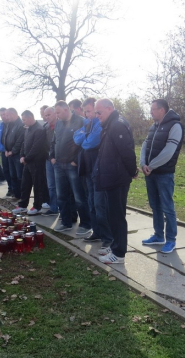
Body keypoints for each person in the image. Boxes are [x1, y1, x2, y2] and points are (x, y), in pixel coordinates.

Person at [93, 99, 138, 264]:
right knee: (112, 215)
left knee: (117, 216)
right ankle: (115, 246)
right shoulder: (109, 124)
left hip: (117, 178)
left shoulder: (117, 125)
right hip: (110, 177)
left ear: (109, 109)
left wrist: (133, 171)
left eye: (99, 112)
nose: (97, 116)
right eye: (96, 113)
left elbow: (127, 152)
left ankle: (119, 254)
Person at [140, 99, 184, 254]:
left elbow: (169, 151)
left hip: (164, 174)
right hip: (150, 173)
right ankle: (159, 235)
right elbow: (145, 145)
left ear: (162, 110)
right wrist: (143, 163)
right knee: (155, 206)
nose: (151, 111)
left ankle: (171, 240)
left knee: (167, 207)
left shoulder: (175, 126)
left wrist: (151, 166)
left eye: (153, 109)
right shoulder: (154, 126)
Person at [74, 97, 113, 249]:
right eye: (86, 112)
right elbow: (76, 138)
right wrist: (85, 137)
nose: (88, 115)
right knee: (91, 203)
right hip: (87, 169)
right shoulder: (88, 123)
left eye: (90, 111)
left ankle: (108, 238)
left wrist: (85, 138)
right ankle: (96, 232)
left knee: (100, 204)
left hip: (98, 171)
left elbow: (91, 142)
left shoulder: (100, 123)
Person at [50, 101, 91, 235]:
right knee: (61, 196)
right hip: (59, 164)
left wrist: (76, 160)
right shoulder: (58, 124)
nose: (56, 115)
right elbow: (54, 141)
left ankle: (85, 224)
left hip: (72, 165)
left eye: (58, 112)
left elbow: (85, 143)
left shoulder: (81, 121)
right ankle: (66, 222)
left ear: (66, 110)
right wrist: (52, 156)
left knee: (79, 196)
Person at [12, 110, 50, 215]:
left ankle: (37, 206)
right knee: (25, 184)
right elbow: (24, 143)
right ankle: (23, 205)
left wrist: (26, 158)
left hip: (37, 162)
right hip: (27, 162)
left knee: (38, 185)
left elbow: (36, 147)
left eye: (24, 119)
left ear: (30, 118)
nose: (23, 122)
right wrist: (22, 155)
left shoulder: (39, 129)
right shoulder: (28, 129)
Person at [2, 107, 25, 200]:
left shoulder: (20, 125)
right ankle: (15, 194)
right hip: (9, 154)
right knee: (13, 175)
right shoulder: (8, 124)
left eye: (7, 115)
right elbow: (4, 137)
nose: (6, 117)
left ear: (12, 114)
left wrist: (13, 151)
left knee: (20, 176)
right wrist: (6, 150)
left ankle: (22, 196)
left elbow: (20, 141)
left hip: (17, 155)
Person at [41, 106, 59, 216]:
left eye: (49, 114)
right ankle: (53, 208)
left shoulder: (61, 125)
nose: (47, 117)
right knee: (51, 185)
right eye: (45, 115)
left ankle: (64, 209)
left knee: (62, 186)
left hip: (59, 159)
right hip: (48, 159)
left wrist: (55, 156)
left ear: (55, 114)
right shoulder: (45, 127)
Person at [0, 107, 13, 197]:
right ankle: (9, 188)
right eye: (1, 115)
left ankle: (14, 189)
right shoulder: (1, 125)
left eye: (4, 114)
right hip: (3, 151)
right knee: (6, 171)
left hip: (11, 152)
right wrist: (1, 148)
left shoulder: (11, 124)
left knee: (12, 172)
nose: (3, 117)